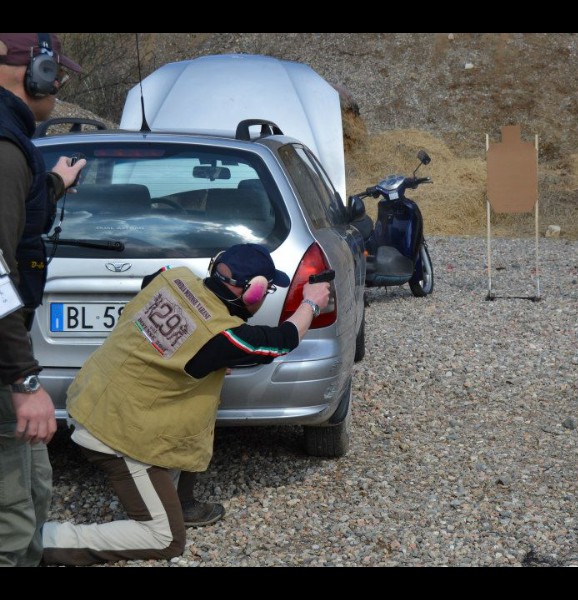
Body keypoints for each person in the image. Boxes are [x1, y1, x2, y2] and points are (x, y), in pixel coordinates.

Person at [41, 243, 331, 566]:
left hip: (89, 398)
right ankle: (41, 541)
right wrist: (311, 302)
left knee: (197, 397)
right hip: (110, 431)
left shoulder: (171, 276)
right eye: (266, 289)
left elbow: (152, 299)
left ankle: (180, 501)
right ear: (253, 293)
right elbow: (284, 340)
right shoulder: (223, 336)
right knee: (165, 538)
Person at [0, 32, 85, 567]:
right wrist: (24, 380)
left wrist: (50, 184)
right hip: (4, 365)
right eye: (56, 73)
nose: (58, 86)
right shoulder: (4, 149)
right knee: (10, 523)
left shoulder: (12, 148)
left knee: (33, 496)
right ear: (34, 70)